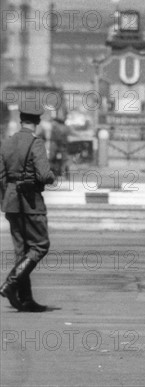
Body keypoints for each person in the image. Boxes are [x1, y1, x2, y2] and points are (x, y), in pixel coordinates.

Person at [0, 101, 56, 312]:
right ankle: (10, 283)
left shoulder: (7, 143)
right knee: (40, 245)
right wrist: (52, 177)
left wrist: (6, 199)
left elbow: (1, 177)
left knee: (21, 251)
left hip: (11, 201)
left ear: (21, 120)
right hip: (31, 201)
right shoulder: (36, 143)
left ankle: (26, 299)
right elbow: (43, 175)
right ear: (38, 121)